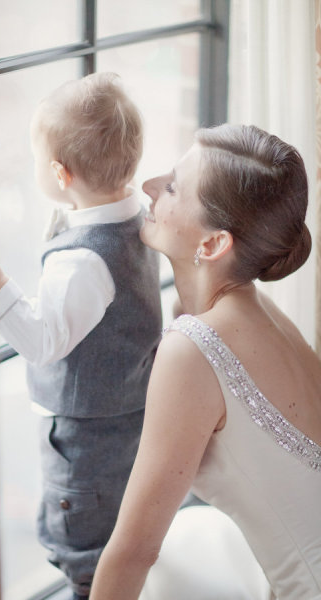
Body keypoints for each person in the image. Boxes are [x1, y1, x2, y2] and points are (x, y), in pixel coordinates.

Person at [89, 123, 321, 600]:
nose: (148, 186)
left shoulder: (194, 348)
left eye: (173, 187)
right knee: (187, 543)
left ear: (213, 244)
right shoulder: (261, 310)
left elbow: (133, 550)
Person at [0, 72, 162, 599]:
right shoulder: (134, 216)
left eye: (37, 160)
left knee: (84, 546)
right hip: (127, 415)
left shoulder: (85, 261)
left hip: (86, 442)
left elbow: (42, 342)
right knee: (116, 524)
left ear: (60, 174)